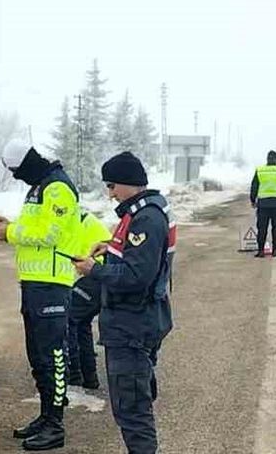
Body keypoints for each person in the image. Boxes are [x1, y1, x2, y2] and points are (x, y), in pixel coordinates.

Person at [73, 151, 173, 454]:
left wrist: (95, 269)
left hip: (132, 326)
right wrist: (111, 248)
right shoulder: (142, 213)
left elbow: (137, 276)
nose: (111, 192)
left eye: (113, 185)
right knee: (135, 400)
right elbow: (140, 260)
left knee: (132, 410)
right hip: (137, 322)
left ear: (129, 183)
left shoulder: (146, 218)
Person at [0, 139, 81, 451]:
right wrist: (10, 226)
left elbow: (50, 234)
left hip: (53, 284)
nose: (16, 177)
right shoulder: (38, 187)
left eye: (16, 170)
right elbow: (35, 228)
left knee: (53, 356)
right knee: (37, 356)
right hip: (34, 283)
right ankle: (45, 415)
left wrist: (11, 233)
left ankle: (55, 424)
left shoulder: (58, 188)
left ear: (27, 163)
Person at [67, 211, 112, 390]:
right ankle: (89, 377)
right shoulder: (82, 218)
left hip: (93, 277)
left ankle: (75, 374)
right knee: (81, 324)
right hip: (98, 277)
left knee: (70, 320)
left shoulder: (71, 221)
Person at [249, 150, 276, 258]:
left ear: (267, 158)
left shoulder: (260, 170)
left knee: (262, 227)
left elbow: (254, 186)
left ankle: (261, 251)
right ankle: (275, 251)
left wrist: (253, 200)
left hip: (263, 203)